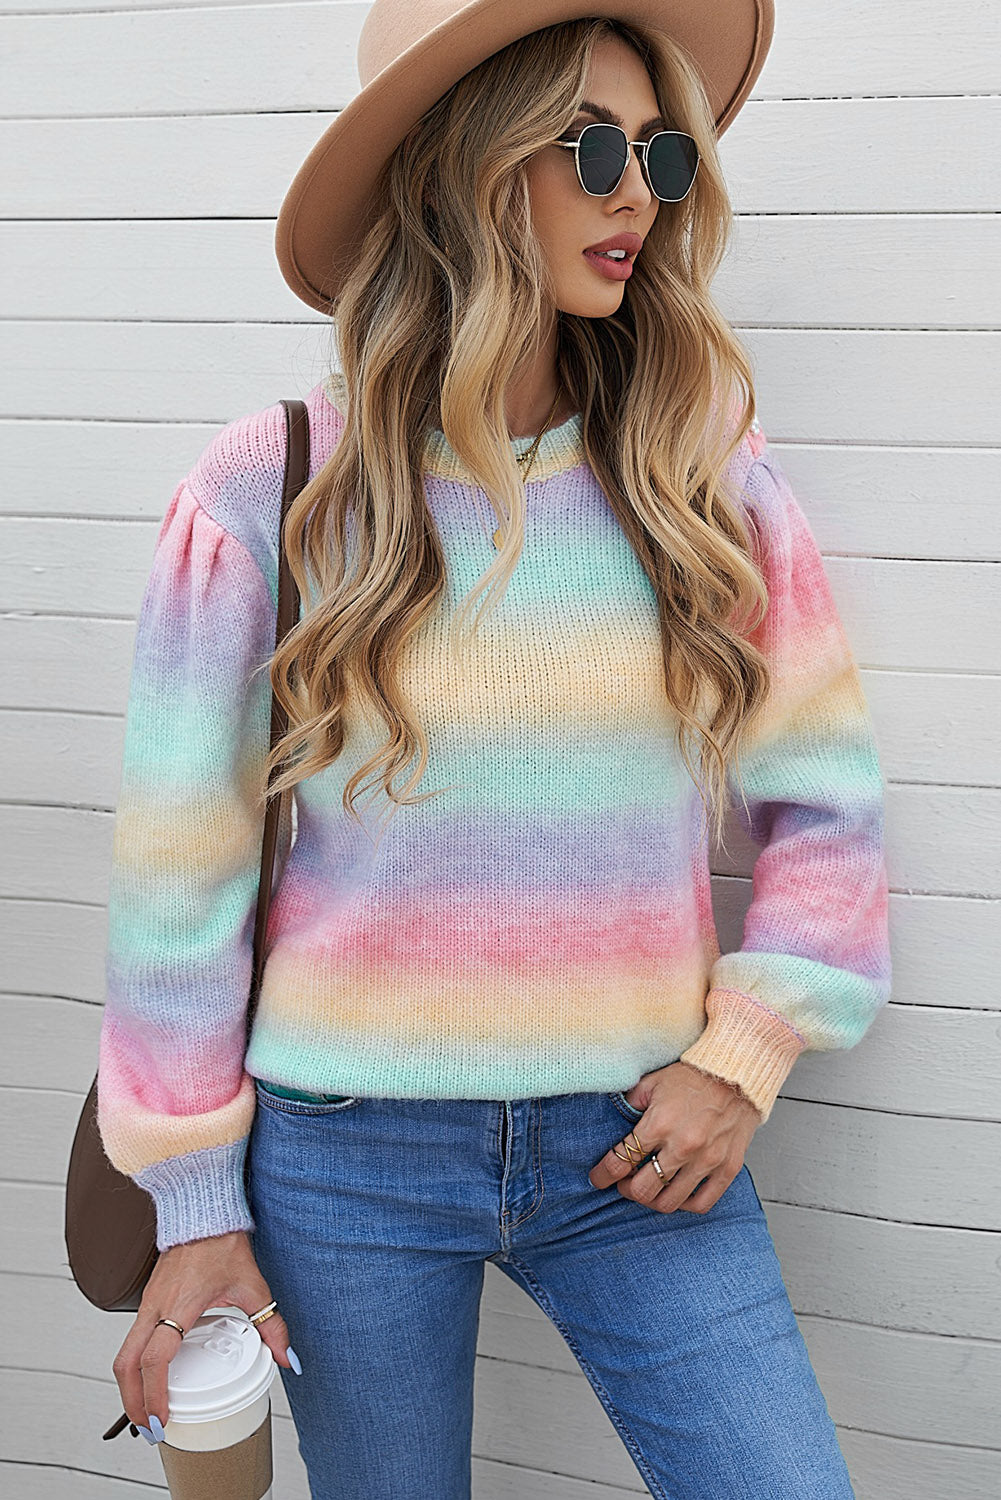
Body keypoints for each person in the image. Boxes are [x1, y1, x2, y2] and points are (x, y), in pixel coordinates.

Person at [97, 3, 891, 1495]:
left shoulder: (697, 476)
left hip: (635, 1144)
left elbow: (826, 805)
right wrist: (196, 1205)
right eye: (589, 147)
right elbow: (176, 880)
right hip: (346, 1159)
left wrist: (745, 1054)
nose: (636, 191)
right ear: (462, 166)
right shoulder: (274, 489)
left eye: (658, 152)